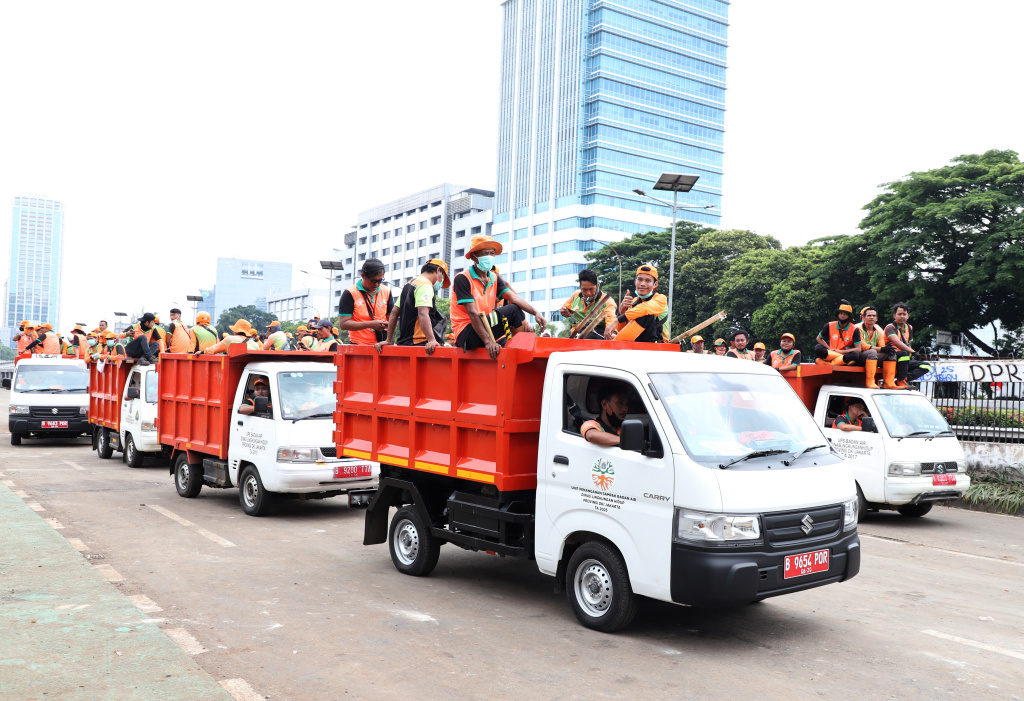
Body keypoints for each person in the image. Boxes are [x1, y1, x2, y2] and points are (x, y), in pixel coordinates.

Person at [451, 235, 547, 358]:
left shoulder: (494, 278)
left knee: (507, 339)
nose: (489, 257)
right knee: (513, 310)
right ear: (474, 257)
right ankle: (525, 351)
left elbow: (514, 298)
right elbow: (473, 313)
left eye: (492, 253)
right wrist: (488, 342)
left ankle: (524, 351)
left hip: (486, 327)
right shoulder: (463, 278)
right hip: (467, 333)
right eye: (485, 253)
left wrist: (536, 312)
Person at [376, 259, 450, 355]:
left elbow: (394, 312)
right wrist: (432, 340)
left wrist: (388, 340)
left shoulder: (409, 284)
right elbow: (423, 313)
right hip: (420, 343)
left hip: (404, 343)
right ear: (439, 270)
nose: (442, 282)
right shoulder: (425, 285)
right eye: (443, 277)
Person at [338, 259, 394, 346]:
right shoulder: (350, 293)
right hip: (359, 345)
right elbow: (343, 324)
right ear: (363, 276)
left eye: (380, 280)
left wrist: (389, 324)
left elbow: (393, 318)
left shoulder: (386, 291)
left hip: (383, 344)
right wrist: (370, 324)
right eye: (373, 280)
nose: (377, 284)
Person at [605, 265, 666, 343]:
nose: (643, 284)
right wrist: (622, 310)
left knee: (645, 313)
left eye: (648, 281)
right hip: (634, 345)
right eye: (640, 280)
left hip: (657, 345)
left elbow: (645, 309)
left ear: (655, 284)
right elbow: (623, 330)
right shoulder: (633, 302)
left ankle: (615, 344)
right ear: (635, 282)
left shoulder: (661, 299)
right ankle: (615, 342)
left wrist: (617, 320)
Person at [880, 302, 932, 390]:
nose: (902, 316)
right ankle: (901, 380)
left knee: (926, 366)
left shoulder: (909, 327)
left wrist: (912, 354)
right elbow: (897, 342)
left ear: (908, 316)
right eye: (899, 314)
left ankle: (904, 379)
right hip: (890, 356)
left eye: (904, 314)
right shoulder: (890, 327)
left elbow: (909, 344)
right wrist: (913, 352)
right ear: (894, 316)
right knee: (904, 353)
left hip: (903, 359)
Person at [558, 269, 617, 340]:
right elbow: (564, 309)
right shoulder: (576, 295)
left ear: (597, 286)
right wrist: (565, 311)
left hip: (598, 334)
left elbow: (611, 323)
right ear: (580, 287)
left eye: (591, 289)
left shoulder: (608, 302)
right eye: (584, 289)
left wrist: (612, 334)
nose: (588, 293)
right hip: (577, 334)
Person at [814, 300, 861, 366]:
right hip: (831, 352)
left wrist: (841, 352)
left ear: (849, 316)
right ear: (838, 314)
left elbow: (858, 349)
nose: (842, 316)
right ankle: (840, 361)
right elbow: (818, 338)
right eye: (841, 313)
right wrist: (829, 348)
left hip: (845, 354)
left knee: (855, 355)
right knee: (818, 347)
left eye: (845, 314)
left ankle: (828, 363)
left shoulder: (855, 329)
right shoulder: (830, 325)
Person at [852, 306, 884, 388]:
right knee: (872, 352)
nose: (871, 317)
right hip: (858, 357)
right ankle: (870, 382)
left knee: (891, 354)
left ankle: (889, 382)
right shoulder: (857, 328)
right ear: (863, 317)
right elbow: (862, 347)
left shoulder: (878, 330)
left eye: (873, 316)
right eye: (869, 315)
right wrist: (881, 349)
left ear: (876, 318)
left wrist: (887, 350)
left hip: (872, 357)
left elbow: (882, 347)